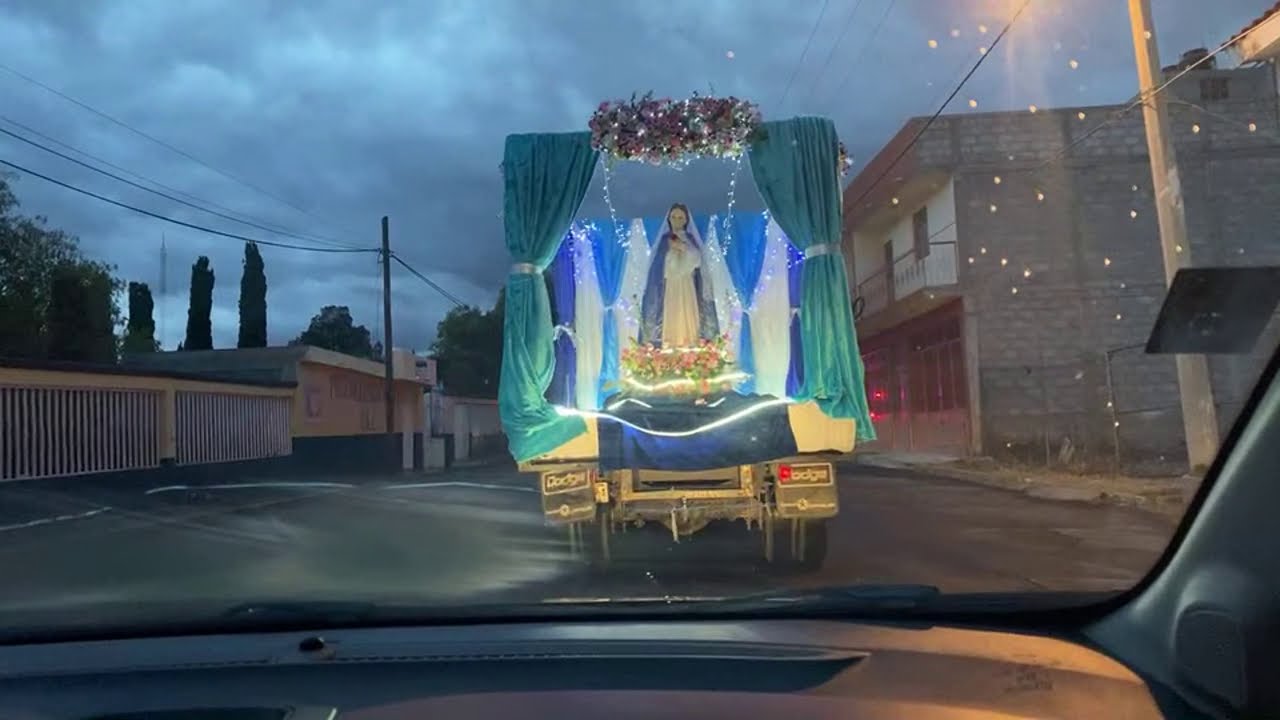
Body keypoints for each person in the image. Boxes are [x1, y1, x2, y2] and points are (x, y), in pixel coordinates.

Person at [639, 203, 718, 348]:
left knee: (688, 312)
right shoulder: (664, 240)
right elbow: (659, 265)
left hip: (687, 283)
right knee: (672, 313)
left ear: (686, 220)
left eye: (680, 217)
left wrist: (684, 249)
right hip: (670, 284)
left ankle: (690, 343)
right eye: (674, 217)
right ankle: (671, 344)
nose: (677, 220)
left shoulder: (690, 239)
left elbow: (697, 260)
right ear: (669, 219)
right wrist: (671, 252)